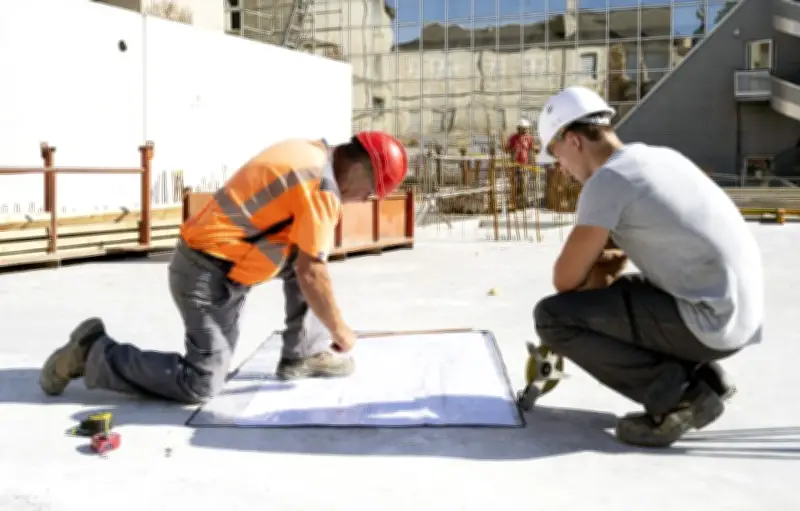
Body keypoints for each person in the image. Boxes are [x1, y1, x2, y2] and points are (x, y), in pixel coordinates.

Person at [39, 132, 409, 404]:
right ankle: (93, 354)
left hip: (223, 260)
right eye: (372, 190)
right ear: (360, 168)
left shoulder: (311, 152)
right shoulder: (321, 188)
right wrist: (340, 330)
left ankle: (303, 353)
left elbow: (308, 262)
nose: (366, 199)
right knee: (200, 383)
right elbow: (312, 273)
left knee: (308, 259)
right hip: (206, 274)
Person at [532, 86, 764, 448]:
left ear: (574, 141)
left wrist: (593, 275)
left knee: (552, 317)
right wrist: (602, 270)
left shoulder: (607, 181)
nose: (561, 170)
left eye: (557, 156)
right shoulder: (659, 158)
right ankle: (705, 377)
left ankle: (680, 397)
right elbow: (618, 261)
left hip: (710, 322)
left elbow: (564, 281)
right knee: (626, 293)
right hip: (739, 315)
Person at [505, 119, 535, 209]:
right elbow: (506, 150)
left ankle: (523, 203)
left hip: (525, 166)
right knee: (515, 184)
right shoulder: (513, 138)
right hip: (514, 165)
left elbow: (531, 151)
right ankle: (515, 203)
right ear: (519, 129)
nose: (526, 130)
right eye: (524, 129)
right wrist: (513, 149)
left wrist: (532, 162)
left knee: (524, 184)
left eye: (526, 129)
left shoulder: (529, 138)